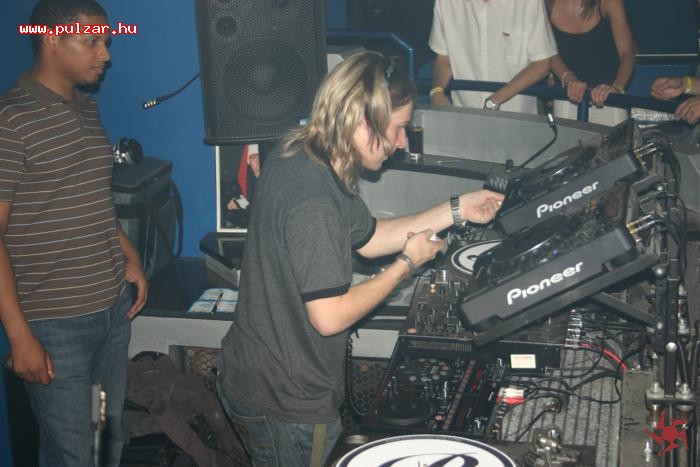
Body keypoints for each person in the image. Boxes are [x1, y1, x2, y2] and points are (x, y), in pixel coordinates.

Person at [216, 51, 504, 467]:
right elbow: (330, 317)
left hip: (257, 374)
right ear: (361, 122)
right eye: (398, 128)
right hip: (286, 401)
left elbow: (369, 239)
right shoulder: (314, 202)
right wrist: (407, 265)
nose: (402, 142)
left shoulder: (302, 153)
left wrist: (457, 209)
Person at [0, 1, 148, 466]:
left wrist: (129, 255)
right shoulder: (10, 121)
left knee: (106, 444)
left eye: (107, 42)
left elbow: (91, 198)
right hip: (55, 324)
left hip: (111, 309)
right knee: (74, 456)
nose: (105, 54)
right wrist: (20, 338)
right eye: (92, 42)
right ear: (51, 40)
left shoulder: (87, 107)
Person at [428, 0, 557, 114]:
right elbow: (443, 59)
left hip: (517, 117)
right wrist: (437, 91)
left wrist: (496, 99)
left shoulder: (528, 2)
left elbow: (542, 63)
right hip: (464, 113)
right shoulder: (446, 3)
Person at [546, 0, 635, 126]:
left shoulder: (608, 3)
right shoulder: (546, 4)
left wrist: (617, 87)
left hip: (608, 94)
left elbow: (627, 53)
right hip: (567, 94)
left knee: (616, 138)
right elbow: (548, 52)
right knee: (567, 138)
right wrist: (570, 80)